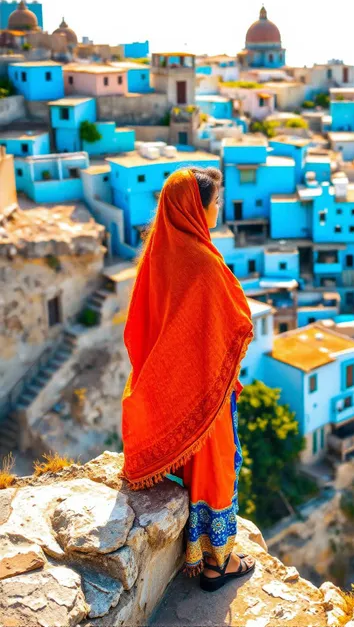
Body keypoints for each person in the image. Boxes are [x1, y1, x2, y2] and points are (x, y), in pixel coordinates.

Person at [119, 166, 256, 591]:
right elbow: (236, 318)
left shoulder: (158, 255)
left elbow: (143, 326)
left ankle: (192, 551)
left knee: (196, 465)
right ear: (196, 207)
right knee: (216, 465)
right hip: (203, 386)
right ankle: (218, 562)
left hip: (173, 386)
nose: (218, 207)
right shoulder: (201, 261)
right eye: (214, 200)